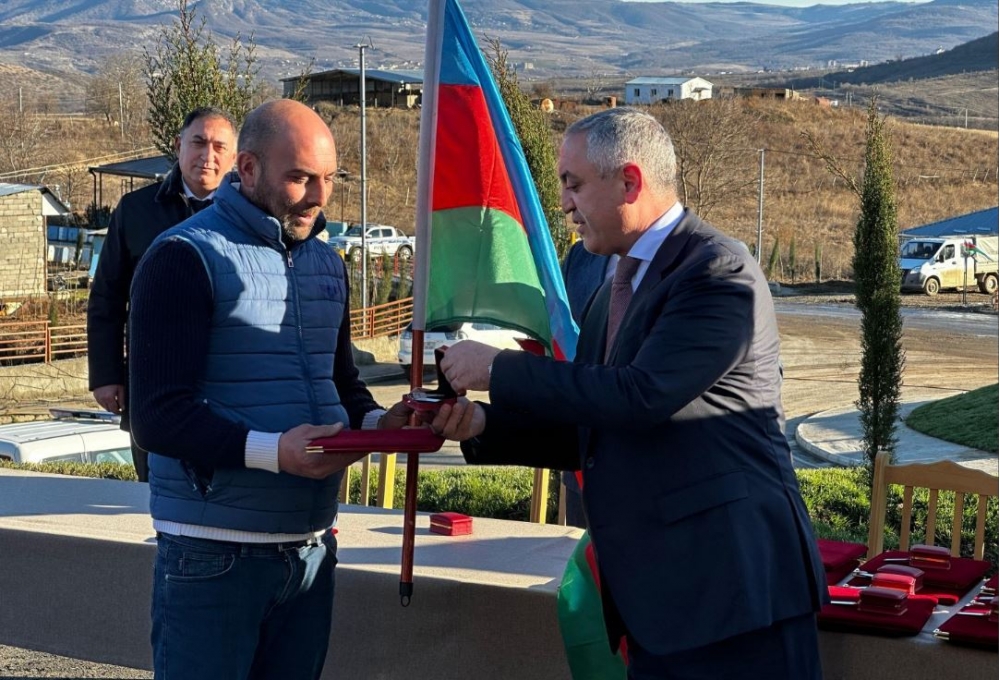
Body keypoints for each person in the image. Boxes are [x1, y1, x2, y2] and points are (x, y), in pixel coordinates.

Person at [426, 108, 828, 679]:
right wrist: (483, 423)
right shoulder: (613, 287)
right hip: (657, 606)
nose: (564, 204)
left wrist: (500, 368)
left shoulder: (717, 272)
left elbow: (640, 397)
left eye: (574, 184)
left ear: (630, 181)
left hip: (733, 596)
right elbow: (594, 426)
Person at [128, 99, 409, 680]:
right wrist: (274, 453)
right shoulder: (184, 256)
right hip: (212, 553)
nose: (319, 196)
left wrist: (382, 424)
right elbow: (157, 416)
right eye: (301, 178)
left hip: (310, 550)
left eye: (330, 178)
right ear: (249, 169)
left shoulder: (327, 264)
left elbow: (341, 383)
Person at [87, 106, 239, 482]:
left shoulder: (248, 216)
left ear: (236, 157)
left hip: (232, 384)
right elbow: (107, 298)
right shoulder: (136, 211)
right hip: (151, 383)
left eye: (220, 146)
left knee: (229, 489)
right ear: (178, 145)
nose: (208, 156)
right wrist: (106, 374)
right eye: (198, 142)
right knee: (155, 490)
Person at [559, 240, 612, 528]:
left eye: (577, 190)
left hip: (655, 491)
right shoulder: (579, 257)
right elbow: (563, 348)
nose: (575, 219)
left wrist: (499, 369)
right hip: (581, 477)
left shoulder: (707, 262)